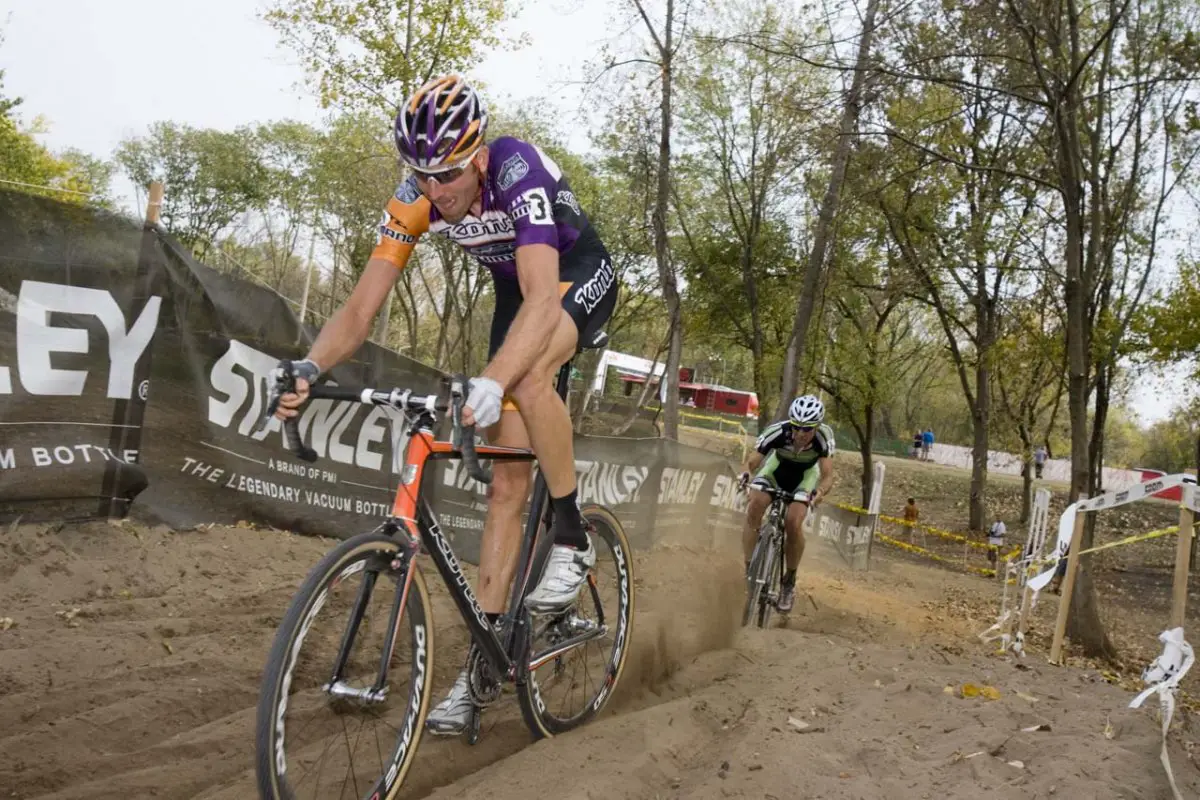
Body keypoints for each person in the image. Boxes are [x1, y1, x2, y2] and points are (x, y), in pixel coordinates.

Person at [271, 75, 618, 735]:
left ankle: (571, 537)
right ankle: (485, 670)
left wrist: (495, 377)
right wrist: (311, 365)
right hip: (519, 293)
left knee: (527, 377)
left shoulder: (516, 169)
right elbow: (360, 309)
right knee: (506, 487)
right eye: (423, 176)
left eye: (450, 174)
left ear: (479, 151)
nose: (438, 191)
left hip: (574, 277)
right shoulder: (416, 197)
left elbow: (545, 301)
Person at [737, 395, 835, 613]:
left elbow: (827, 475)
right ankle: (748, 569)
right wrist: (745, 474)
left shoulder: (823, 437)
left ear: (816, 426)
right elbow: (753, 460)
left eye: (807, 429)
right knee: (754, 506)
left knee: (793, 522)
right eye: (796, 427)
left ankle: (788, 581)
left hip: (805, 478)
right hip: (775, 471)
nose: (801, 433)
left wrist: (819, 492)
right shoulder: (778, 431)